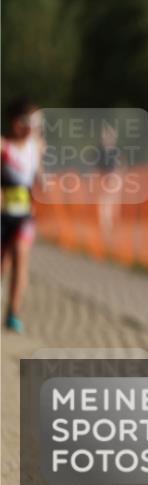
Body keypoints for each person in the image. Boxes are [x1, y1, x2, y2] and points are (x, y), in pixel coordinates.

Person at [1, 99, 44, 333]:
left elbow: (38, 176)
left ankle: (13, 313)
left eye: (37, 122)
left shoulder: (37, 146)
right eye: (27, 121)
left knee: (21, 256)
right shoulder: (3, 146)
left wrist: (42, 182)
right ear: (15, 122)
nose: (32, 126)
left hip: (24, 215)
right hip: (2, 214)